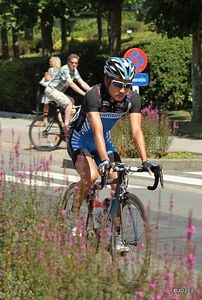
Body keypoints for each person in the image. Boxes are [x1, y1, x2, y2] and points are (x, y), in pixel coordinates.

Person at [67, 56, 159, 252]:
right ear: (107, 80)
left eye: (128, 85)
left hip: (104, 142)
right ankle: (73, 213)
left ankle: (113, 232)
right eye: (118, 84)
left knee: (119, 183)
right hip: (81, 140)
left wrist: (146, 160)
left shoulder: (131, 98)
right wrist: (105, 161)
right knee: (91, 176)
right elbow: (97, 129)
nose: (123, 90)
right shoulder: (94, 95)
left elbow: (136, 130)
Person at [44, 54, 91, 134]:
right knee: (69, 103)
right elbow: (71, 84)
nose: (74, 64)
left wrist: (91, 91)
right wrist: (84, 94)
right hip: (51, 90)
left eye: (76, 63)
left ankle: (66, 129)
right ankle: (66, 126)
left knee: (72, 102)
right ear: (68, 62)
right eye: (72, 62)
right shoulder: (65, 69)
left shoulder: (74, 71)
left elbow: (82, 82)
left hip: (57, 91)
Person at [39, 56, 61, 125]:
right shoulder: (60, 70)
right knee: (57, 107)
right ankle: (61, 121)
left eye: (50, 61)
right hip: (57, 90)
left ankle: (45, 120)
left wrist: (46, 75)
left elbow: (48, 79)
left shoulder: (50, 69)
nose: (49, 62)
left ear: (54, 62)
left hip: (50, 89)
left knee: (46, 106)